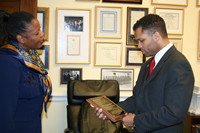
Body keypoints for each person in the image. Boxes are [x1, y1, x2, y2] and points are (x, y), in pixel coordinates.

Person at [95, 14, 194, 133]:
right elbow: (137, 100)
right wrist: (111, 111)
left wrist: (136, 121)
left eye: (141, 40)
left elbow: (174, 113)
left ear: (156, 36)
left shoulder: (178, 64)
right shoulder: (147, 65)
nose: (139, 46)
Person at [0, 11, 52, 133]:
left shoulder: (30, 57)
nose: (42, 34)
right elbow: (4, 114)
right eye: (36, 33)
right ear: (21, 38)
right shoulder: (7, 63)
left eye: (40, 30)